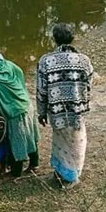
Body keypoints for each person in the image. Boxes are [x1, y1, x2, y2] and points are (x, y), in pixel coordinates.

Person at [37, 23, 94, 189]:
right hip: (77, 111)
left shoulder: (46, 61)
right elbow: (89, 83)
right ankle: (72, 172)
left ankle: (63, 172)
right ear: (72, 39)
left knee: (60, 141)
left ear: (54, 39)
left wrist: (41, 112)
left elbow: (41, 89)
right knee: (77, 141)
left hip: (56, 112)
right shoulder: (84, 60)